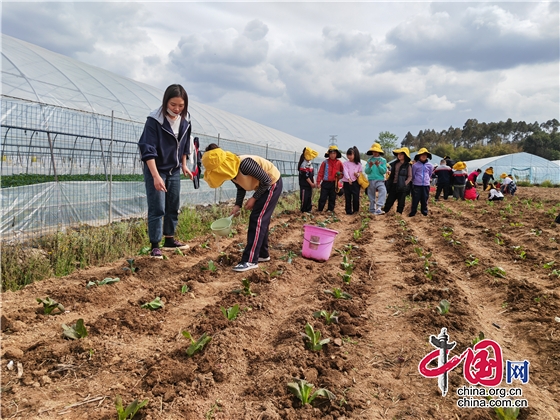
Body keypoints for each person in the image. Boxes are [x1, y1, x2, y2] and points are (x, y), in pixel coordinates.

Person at [201, 144, 282, 272]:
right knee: (260, 220)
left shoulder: (244, 164)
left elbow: (266, 181)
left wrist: (254, 198)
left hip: (272, 184)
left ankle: (250, 260)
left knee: (257, 219)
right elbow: (240, 187)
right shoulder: (232, 170)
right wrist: (237, 205)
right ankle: (262, 254)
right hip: (264, 186)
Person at [138, 84, 192, 259]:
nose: (177, 109)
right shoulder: (154, 120)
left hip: (174, 169)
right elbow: (147, 149)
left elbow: (184, 145)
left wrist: (184, 165)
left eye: (181, 106)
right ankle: (155, 245)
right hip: (156, 168)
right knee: (157, 207)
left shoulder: (185, 121)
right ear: (165, 102)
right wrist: (155, 176)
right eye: (173, 105)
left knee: (173, 206)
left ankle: (170, 239)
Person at [383, 147, 412, 214]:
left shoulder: (408, 166)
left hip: (402, 186)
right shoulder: (395, 164)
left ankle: (399, 214)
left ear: (405, 156)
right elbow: (392, 175)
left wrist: (405, 183)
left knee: (401, 202)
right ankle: (385, 212)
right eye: (398, 154)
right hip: (394, 184)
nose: (399, 156)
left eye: (401, 154)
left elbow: (410, 176)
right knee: (389, 200)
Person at [317, 145, 344, 212]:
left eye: (334, 153)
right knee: (323, 197)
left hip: (334, 183)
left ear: (336, 154)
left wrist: (340, 176)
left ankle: (330, 211)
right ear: (328, 154)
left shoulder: (339, 163)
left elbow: (343, 172)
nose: (332, 155)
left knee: (332, 198)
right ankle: (320, 210)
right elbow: (320, 173)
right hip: (325, 183)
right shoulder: (325, 162)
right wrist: (318, 182)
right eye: (331, 153)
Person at [409, 148, 434, 217]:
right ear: (419, 156)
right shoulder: (415, 165)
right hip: (417, 184)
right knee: (415, 199)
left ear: (427, 156)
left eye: (425, 155)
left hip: (426, 185)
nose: (423, 156)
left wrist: (426, 179)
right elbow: (413, 175)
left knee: (425, 198)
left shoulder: (430, 165)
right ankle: (413, 212)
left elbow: (430, 174)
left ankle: (424, 212)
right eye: (422, 155)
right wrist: (415, 181)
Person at [364, 143, 387, 215]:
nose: (375, 153)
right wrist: (370, 166)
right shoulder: (369, 160)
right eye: (373, 151)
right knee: (371, 194)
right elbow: (366, 171)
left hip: (380, 179)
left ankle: (379, 207)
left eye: (376, 151)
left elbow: (384, 171)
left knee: (383, 190)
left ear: (379, 152)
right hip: (371, 179)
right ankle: (372, 209)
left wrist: (378, 166)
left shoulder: (383, 160)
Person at [341, 146, 363, 215]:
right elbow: (345, 171)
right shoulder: (345, 163)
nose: (349, 156)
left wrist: (357, 174)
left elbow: (360, 172)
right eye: (348, 155)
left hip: (355, 183)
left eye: (350, 155)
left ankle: (356, 211)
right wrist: (348, 178)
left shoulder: (358, 164)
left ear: (355, 155)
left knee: (356, 197)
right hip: (347, 182)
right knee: (348, 197)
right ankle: (348, 211)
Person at [298, 147, 317, 213]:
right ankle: (303, 211)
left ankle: (309, 210)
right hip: (304, 185)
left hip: (309, 185)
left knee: (309, 197)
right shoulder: (303, 164)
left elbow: (312, 174)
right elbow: (305, 176)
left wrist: (314, 182)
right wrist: (311, 183)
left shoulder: (310, 163)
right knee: (304, 198)